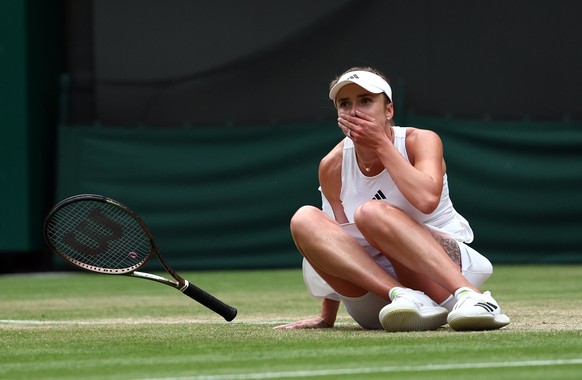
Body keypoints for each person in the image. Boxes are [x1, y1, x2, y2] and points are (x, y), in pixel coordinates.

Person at [274, 67, 510, 332]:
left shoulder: (420, 141)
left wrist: (380, 145)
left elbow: (426, 200)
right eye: (344, 104)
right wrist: (327, 317)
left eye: (365, 101)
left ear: (389, 111)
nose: (354, 111)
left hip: (444, 282)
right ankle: (406, 296)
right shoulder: (331, 165)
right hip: (385, 299)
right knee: (304, 218)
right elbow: (334, 242)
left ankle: (473, 297)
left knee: (370, 213)